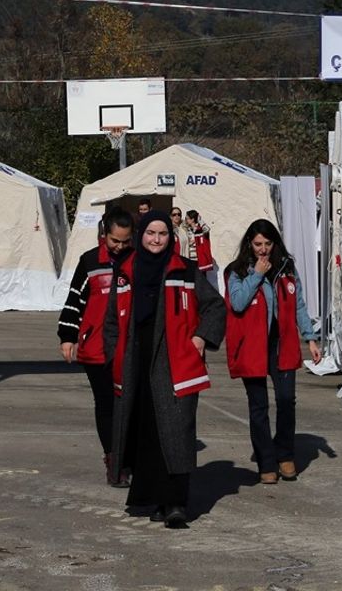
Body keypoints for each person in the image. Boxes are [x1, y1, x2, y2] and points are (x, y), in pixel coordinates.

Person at [104, 210, 224, 529]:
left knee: (175, 434)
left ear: (170, 238)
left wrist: (200, 338)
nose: (156, 240)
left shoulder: (185, 270)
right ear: (140, 235)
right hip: (136, 364)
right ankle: (151, 498)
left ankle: (175, 503)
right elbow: (112, 322)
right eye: (150, 234)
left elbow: (214, 306)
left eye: (162, 234)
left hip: (174, 364)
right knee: (146, 434)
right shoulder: (125, 270)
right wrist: (113, 354)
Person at [225, 219, 322, 484]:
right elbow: (237, 302)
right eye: (258, 244)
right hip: (253, 347)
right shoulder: (237, 270)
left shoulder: (286, 268)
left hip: (282, 345)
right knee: (258, 406)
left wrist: (310, 338)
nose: (263, 250)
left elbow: (298, 303)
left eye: (268, 244)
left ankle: (285, 454)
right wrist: (256, 273)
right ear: (249, 244)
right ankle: (266, 461)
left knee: (286, 401)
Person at [58, 207, 134, 488]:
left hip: (129, 348)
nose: (120, 247)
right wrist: (68, 335)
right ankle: (114, 460)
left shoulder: (138, 261)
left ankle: (130, 456)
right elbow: (74, 300)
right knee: (106, 406)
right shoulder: (90, 261)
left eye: (126, 241)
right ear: (105, 234)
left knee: (129, 405)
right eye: (115, 240)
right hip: (96, 347)